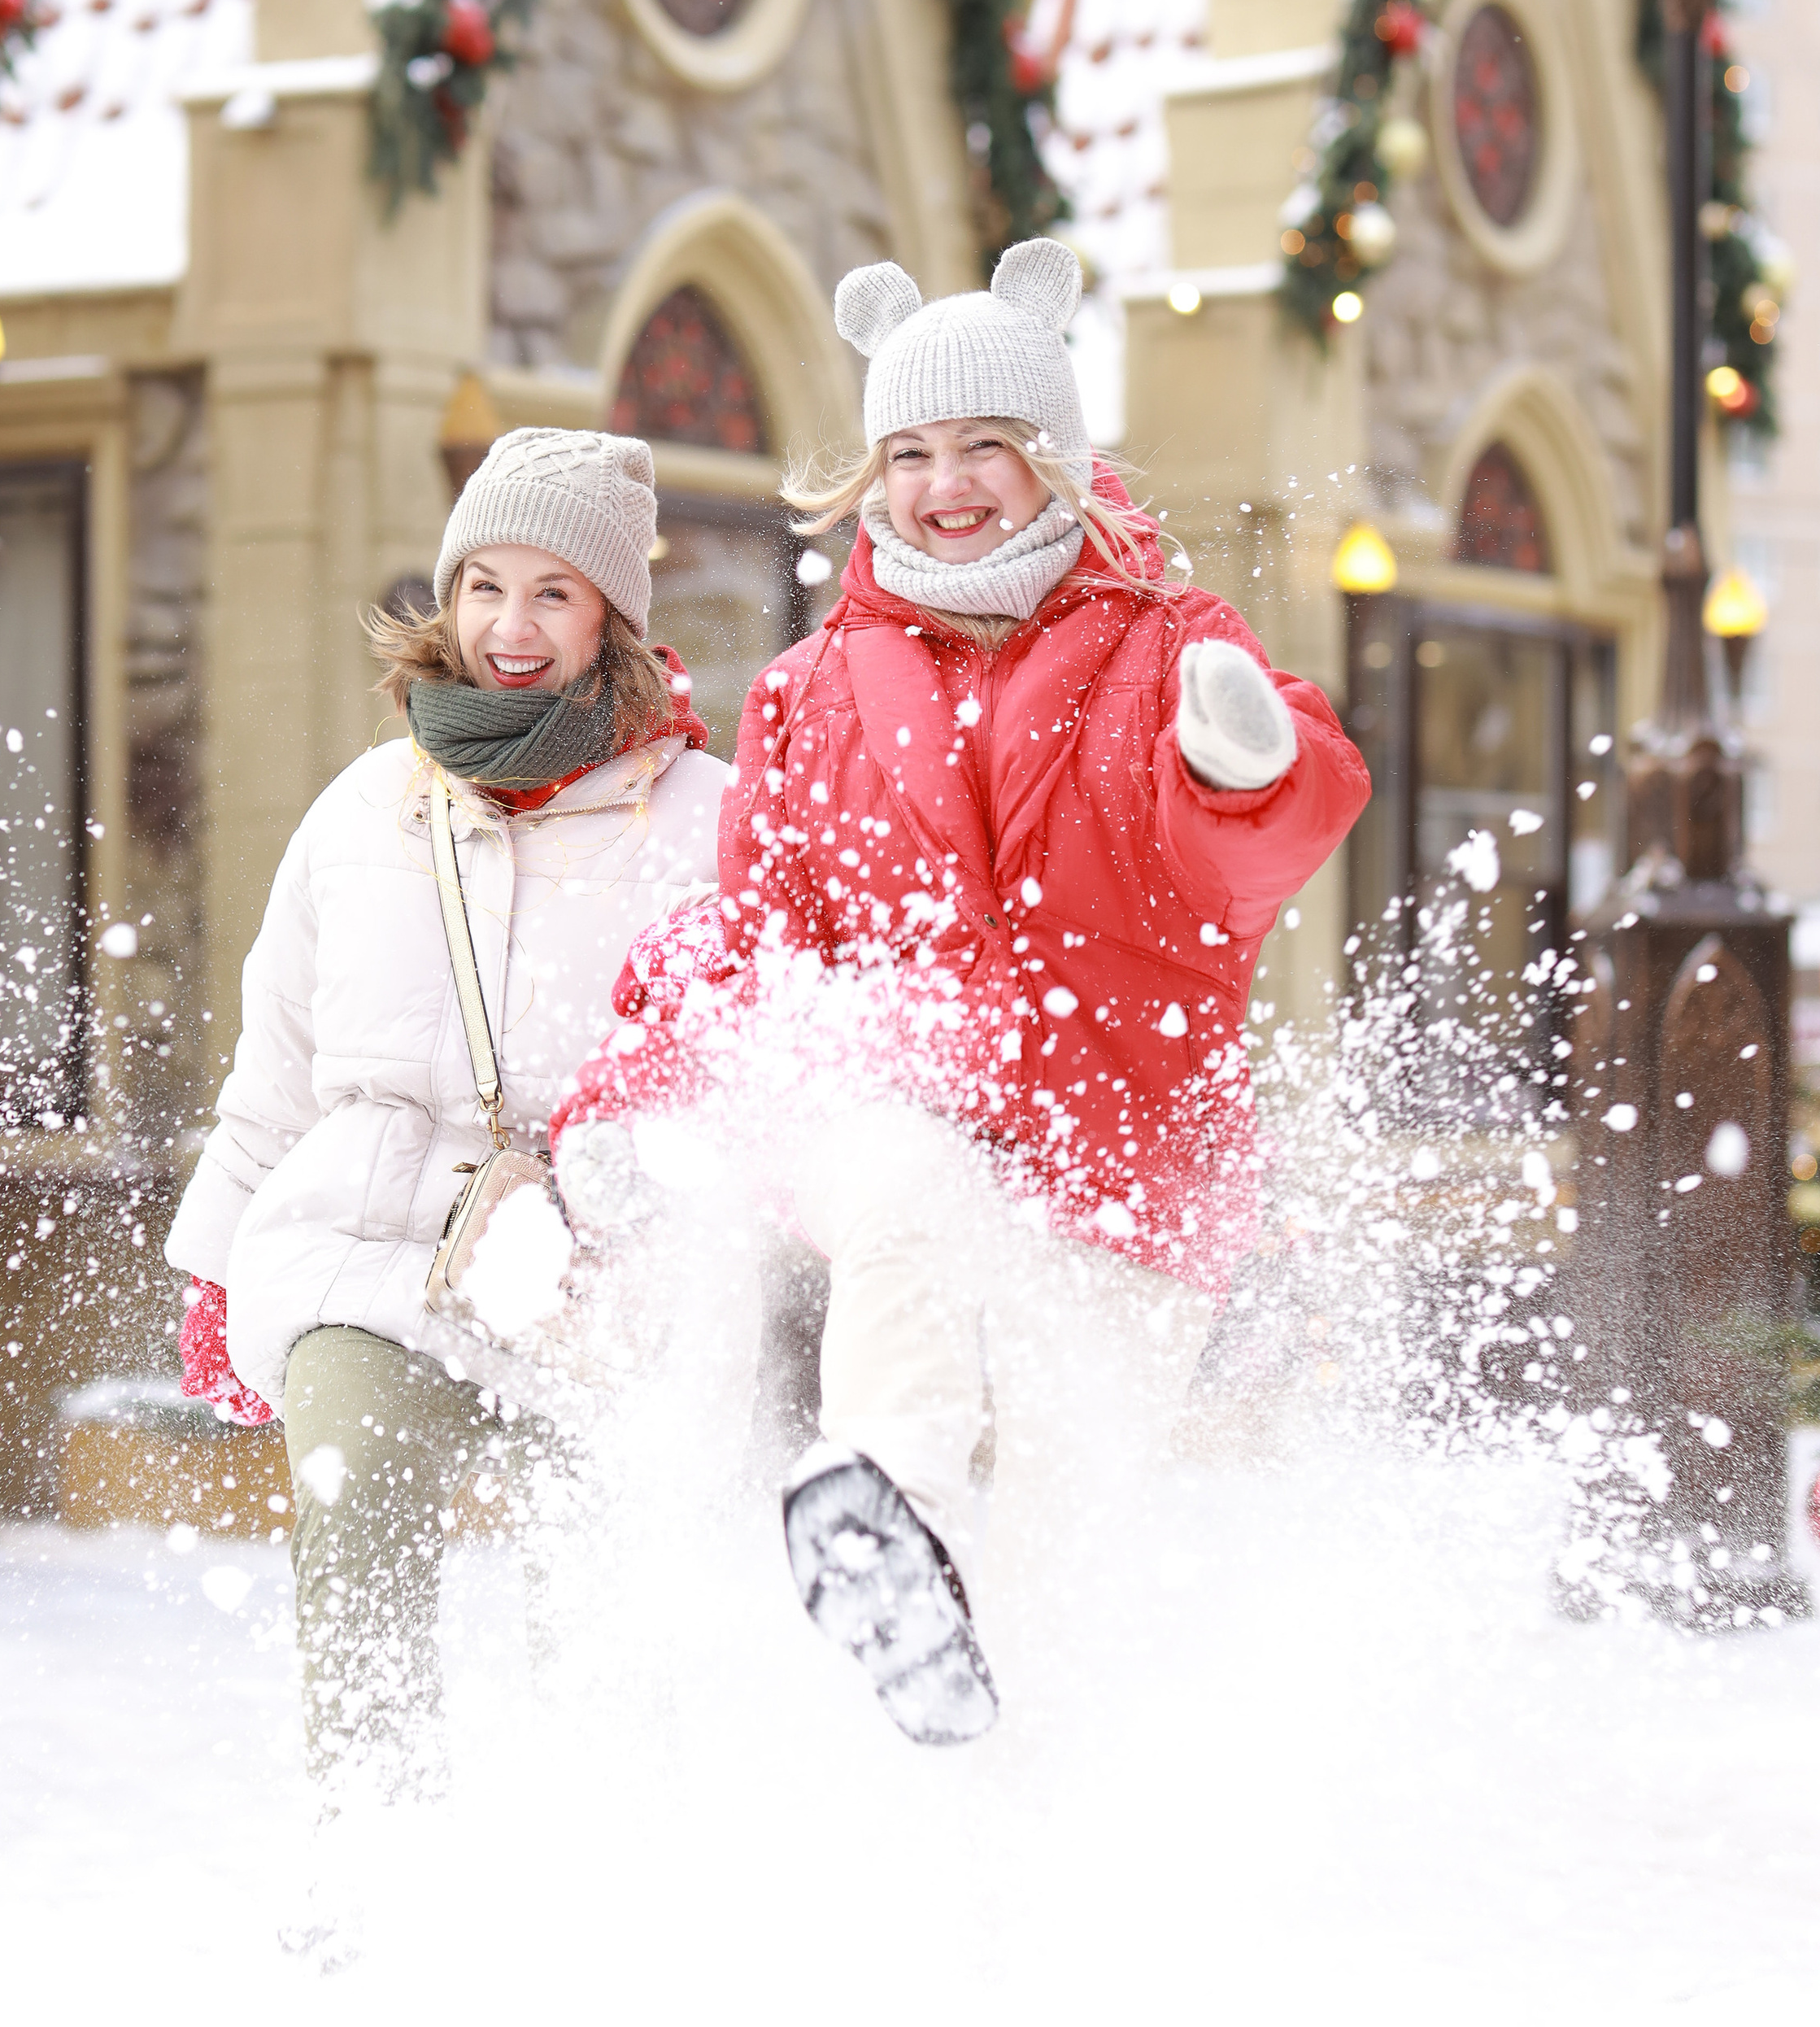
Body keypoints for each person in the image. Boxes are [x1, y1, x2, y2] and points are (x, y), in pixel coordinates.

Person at [553, 242, 1368, 1748]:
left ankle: (1035, 1804)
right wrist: (631, 1097)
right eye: (911, 451)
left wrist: (1250, 767)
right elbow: (755, 937)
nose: (946, 482)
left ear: (1050, 454)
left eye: (984, 445)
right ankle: (888, 1520)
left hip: (1130, 1151)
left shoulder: (1172, 646)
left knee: (1077, 1513)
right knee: (904, 1198)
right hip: (909, 1096)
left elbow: (1269, 839)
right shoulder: (809, 690)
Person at [166, 427, 726, 1806]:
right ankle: (371, 1861)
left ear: (613, 618)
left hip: (604, 1274)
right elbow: (281, 1060)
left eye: (554, 592)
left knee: (599, 1592)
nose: (512, 628)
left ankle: (600, 1877)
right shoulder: (366, 807)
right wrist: (215, 1259)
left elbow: (742, 1075)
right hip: (371, 1250)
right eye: (485, 586)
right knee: (353, 1511)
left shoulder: (706, 820)